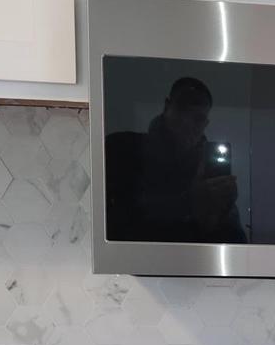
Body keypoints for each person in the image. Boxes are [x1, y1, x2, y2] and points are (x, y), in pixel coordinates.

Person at [105, 76, 247, 243]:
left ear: (205, 124)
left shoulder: (208, 171)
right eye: (182, 109)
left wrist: (221, 214)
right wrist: (190, 203)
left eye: (198, 118)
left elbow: (236, 244)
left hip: (196, 266)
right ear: (167, 106)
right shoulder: (122, 148)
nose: (187, 122)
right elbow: (115, 229)